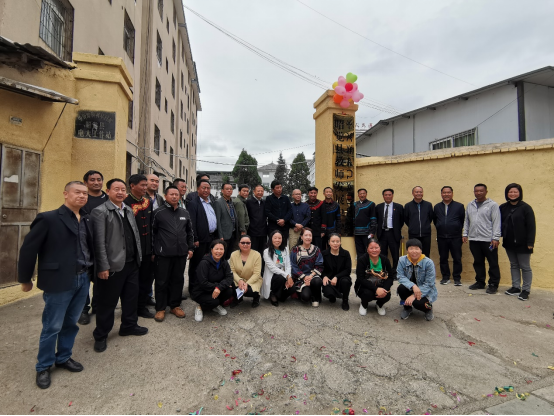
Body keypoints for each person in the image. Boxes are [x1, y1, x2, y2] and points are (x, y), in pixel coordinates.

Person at [19, 182, 93, 390]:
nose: (82, 196)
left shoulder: (86, 219)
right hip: (59, 280)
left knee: (71, 323)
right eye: (77, 192)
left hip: (82, 278)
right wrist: (25, 279)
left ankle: (64, 357)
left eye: (85, 193)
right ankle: (43, 366)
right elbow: (29, 249)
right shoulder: (48, 218)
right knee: (52, 326)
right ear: (65, 194)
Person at [91, 179, 148, 354]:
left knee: (131, 298)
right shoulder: (100, 211)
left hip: (131, 263)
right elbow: (99, 242)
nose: (120, 192)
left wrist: (138, 257)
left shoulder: (128, 209)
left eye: (123, 189)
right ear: (108, 191)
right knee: (107, 302)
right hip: (112, 266)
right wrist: (103, 266)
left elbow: (134, 234)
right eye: (116, 189)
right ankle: (101, 335)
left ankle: (129, 325)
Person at [152, 186, 194, 322]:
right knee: (161, 281)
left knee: (178, 280)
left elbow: (189, 232)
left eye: (177, 194)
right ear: (165, 196)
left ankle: (175, 305)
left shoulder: (184, 213)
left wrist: (190, 248)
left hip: (181, 254)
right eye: (171, 194)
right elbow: (153, 233)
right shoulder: (158, 213)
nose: (175, 196)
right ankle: (160, 308)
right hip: (163, 254)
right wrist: (154, 251)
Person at [123, 174, 155, 319]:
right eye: (142, 185)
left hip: (147, 250)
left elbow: (152, 225)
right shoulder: (125, 203)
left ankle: (141, 307)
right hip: (132, 251)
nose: (145, 188)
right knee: (132, 283)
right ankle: (131, 309)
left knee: (146, 280)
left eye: (145, 185)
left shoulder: (148, 202)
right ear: (132, 186)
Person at [463, 184, 502, 294]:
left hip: (488, 240)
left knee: (492, 262)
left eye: (481, 191)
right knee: (478, 262)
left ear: (486, 192)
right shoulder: (470, 205)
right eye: (476, 191)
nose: (478, 193)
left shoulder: (492, 205)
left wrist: (495, 238)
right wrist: (465, 234)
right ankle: (480, 282)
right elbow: (467, 221)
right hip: (474, 239)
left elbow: (496, 222)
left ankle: (493, 284)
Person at [79, 170, 107, 325]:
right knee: (84, 279)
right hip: (84, 245)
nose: (96, 182)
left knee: (101, 278)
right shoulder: (82, 199)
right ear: (86, 182)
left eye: (99, 179)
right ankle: (83, 310)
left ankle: (98, 306)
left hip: (103, 245)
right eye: (92, 180)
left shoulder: (107, 199)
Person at [500, 183, 536, 301]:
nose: (513, 194)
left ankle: (526, 290)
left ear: (520, 193)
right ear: (507, 193)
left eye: (515, 192)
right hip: (509, 242)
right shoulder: (503, 207)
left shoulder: (526, 208)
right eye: (510, 192)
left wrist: (530, 242)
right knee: (514, 265)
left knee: (525, 267)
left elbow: (531, 226)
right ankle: (516, 287)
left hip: (523, 243)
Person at [188, 180, 218, 296]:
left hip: (211, 238)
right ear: (198, 189)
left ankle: (205, 286)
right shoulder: (193, 203)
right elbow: (192, 223)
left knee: (208, 264)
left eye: (208, 188)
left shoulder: (211, 202)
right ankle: (193, 289)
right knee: (196, 265)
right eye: (203, 188)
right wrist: (195, 239)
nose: (206, 190)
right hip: (199, 240)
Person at [191, 241, 235, 322]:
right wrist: (218, 286)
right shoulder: (204, 263)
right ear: (211, 250)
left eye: (221, 249)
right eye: (216, 249)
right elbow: (203, 283)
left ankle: (215, 305)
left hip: (215, 289)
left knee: (229, 290)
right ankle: (200, 307)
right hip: (202, 291)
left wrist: (219, 287)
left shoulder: (224, 262)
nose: (219, 251)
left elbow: (229, 277)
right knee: (214, 301)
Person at [397, 239, 438, 321]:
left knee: (417, 303)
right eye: (411, 248)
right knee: (401, 288)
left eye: (416, 248)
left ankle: (428, 309)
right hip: (411, 288)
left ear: (421, 250)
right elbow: (400, 276)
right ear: (407, 250)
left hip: (425, 291)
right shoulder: (402, 260)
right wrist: (413, 286)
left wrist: (413, 296)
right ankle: (407, 308)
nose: (414, 251)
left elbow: (429, 283)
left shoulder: (428, 262)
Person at [433, 186, 465, 286]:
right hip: (442, 237)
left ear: (452, 193)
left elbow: (462, 220)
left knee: (457, 258)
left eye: (448, 192)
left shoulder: (459, 206)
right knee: (443, 258)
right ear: (441, 194)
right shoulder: (437, 207)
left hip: (455, 237)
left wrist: (456, 228)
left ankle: (457, 278)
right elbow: (435, 220)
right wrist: (440, 226)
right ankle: (445, 277)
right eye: (444, 192)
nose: (446, 194)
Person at [355, 238, 395, 317]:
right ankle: (364, 304)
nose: (374, 250)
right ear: (367, 249)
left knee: (387, 295)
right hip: (365, 287)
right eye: (371, 248)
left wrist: (385, 289)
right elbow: (360, 278)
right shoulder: (362, 260)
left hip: (381, 285)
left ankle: (379, 305)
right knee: (367, 294)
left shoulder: (385, 260)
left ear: (380, 248)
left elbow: (390, 277)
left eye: (376, 248)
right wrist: (376, 289)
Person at [290, 228, 324, 307]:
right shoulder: (295, 250)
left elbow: (319, 265)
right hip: (300, 278)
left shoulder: (316, 249)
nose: (308, 237)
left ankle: (315, 297)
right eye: (306, 235)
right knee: (305, 297)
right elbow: (293, 266)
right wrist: (304, 277)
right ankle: (308, 292)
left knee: (317, 281)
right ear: (301, 237)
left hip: (313, 276)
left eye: (310, 235)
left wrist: (310, 276)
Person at [229, 235, 262, 308]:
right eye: (243, 243)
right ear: (239, 244)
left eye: (248, 243)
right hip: (237, 279)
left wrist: (247, 284)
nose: (245, 245)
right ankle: (238, 298)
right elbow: (232, 271)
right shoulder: (233, 254)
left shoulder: (257, 255)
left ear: (251, 244)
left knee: (250, 291)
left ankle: (256, 298)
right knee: (230, 287)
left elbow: (257, 274)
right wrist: (239, 280)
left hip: (253, 280)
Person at [321, 233, 353, 311]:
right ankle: (333, 295)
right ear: (329, 242)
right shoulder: (324, 253)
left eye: (337, 241)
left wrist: (336, 277)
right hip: (329, 279)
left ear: (340, 242)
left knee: (346, 282)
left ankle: (345, 300)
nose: (335, 243)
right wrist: (324, 276)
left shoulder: (346, 253)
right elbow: (321, 268)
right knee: (328, 293)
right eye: (333, 241)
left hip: (342, 278)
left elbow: (348, 270)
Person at [262, 230, 293, 307]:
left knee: (293, 287)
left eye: (279, 238)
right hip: (273, 275)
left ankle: (280, 295)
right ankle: (272, 293)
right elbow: (272, 268)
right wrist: (286, 276)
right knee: (280, 278)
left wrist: (289, 276)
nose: (277, 240)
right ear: (271, 239)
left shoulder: (285, 249)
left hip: (283, 273)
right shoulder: (266, 251)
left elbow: (288, 265)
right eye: (275, 238)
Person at [376, 189, 404, 271]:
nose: (388, 196)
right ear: (383, 196)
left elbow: (401, 220)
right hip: (382, 233)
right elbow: (376, 220)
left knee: (395, 254)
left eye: (389, 195)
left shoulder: (399, 207)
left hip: (393, 233)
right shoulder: (378, 207)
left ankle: (395, 272)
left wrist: (396, 228)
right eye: (386, 195)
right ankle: (384, 271)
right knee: (382, 254)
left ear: (392, 196)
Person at [404, 186, 434, 257]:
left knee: (425, 254)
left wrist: (425, 226)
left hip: (426, 234)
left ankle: (425, 265)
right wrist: (413, 226)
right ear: (413, 193)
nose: (419, 193)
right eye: (416, 192)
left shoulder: (428, 205)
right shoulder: (408, 206)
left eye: (420, 192)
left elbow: (430, 218)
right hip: (413, 234)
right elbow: (406, 219)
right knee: (413, 254)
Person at [351, 189, 377, 257]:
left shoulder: (371, 204)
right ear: (358, 195)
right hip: (357, 233)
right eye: (360, 194)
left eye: (363, 193)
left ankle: (369, 264)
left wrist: (372, 232)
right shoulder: (354, 204)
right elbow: (352, 218)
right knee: (359, 252)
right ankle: (360, 264)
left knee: (369, 250)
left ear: (366, 194)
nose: (362, 195)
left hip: (367, 233)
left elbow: (373, 218)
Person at [265, 180, 292, 245]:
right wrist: (277, 220)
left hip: (284, 226)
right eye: (277, 188)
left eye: (280, 187)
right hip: (273, 227)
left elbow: (290, 210)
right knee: (273, 244)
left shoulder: (286, 198)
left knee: (283, 244)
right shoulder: (269, 199)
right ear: (272, 189)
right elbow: (267, 212)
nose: (279, 189)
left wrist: (284, 220)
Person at [215, 183, 237, 260]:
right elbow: (218, 220)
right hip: (224, 236)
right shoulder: (218, 202)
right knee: (222, 257)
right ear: (222, 190)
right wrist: (220, 236)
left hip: (232, 233)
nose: (229, 190)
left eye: (231, 189)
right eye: (227, 189)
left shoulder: (231, 201)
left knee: (229, 256)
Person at [246, 184, 267, 255]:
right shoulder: (248, 202)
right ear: (254, 191)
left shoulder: (264, 202)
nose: (260, 192)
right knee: (253, 252)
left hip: (263, 232)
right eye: (258, 191)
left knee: (263, 251)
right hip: (252, 232)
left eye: (262, 191)